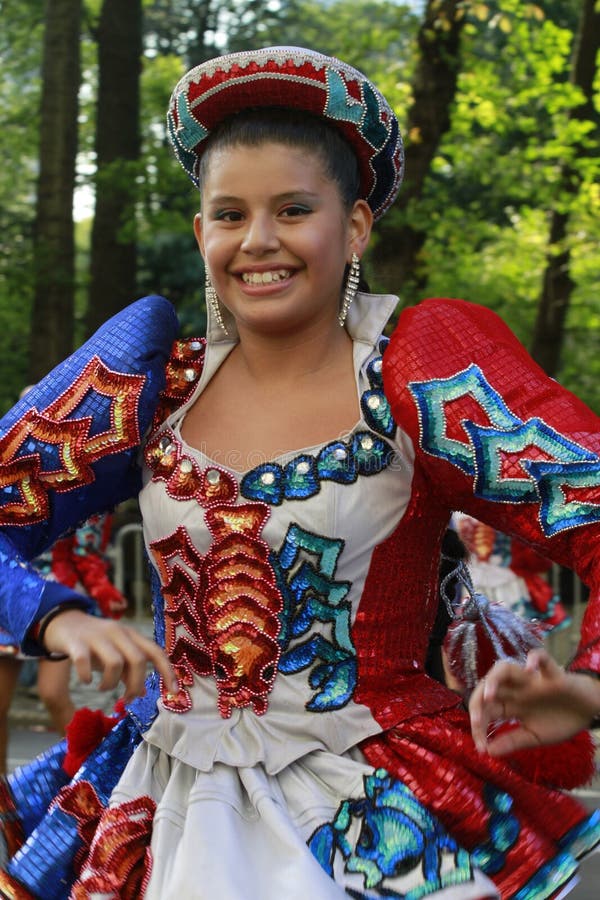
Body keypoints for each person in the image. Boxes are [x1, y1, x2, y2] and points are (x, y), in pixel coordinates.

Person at [0, 46, 599, 899]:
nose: (259, 242)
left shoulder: (419, 373)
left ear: (354, 226)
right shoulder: (147, 381)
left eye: (293, 209)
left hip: (376, 812)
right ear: (202, 229)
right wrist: (52, 617)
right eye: (229, 214)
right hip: (163, 804)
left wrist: (585, 685)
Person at [0, 512, 128, 774]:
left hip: (56, 600)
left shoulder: (69, 472)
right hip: (7, 592)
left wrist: (100, 587)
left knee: (53, 694)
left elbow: (88, 541)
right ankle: (3, 802)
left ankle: (89, 779)